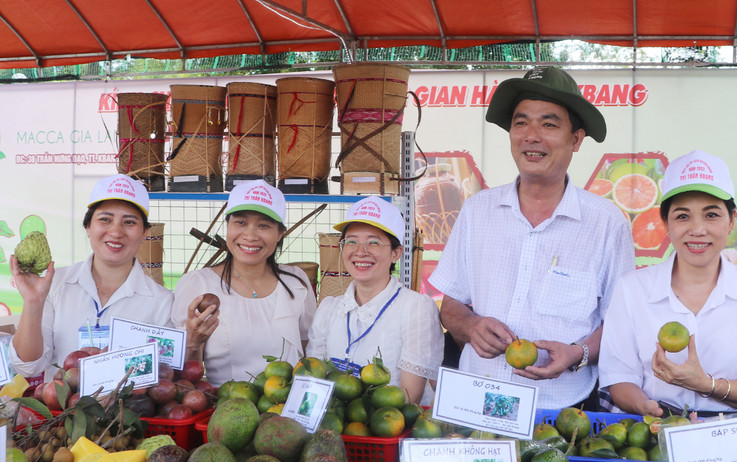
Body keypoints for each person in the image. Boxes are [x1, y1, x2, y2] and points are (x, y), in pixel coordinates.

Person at [429, 66, 635, 410]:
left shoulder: (606, 223)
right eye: (521, 122)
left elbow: (622, 324)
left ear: (576, 139)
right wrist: (470, 325)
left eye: (549, 124)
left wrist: (576, 353)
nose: (531, 135)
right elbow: (450, 307)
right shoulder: (477, 211)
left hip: (562, 409)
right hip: (474, 402)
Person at [598, 150, 737, 417]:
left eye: (711, 215)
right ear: (665, 223)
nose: (698, 230)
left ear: (732, 221)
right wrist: (646, 407)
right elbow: (619, 378)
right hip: (654, 428)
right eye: (683, 216)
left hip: (734, 435)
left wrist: (705, 385)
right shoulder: (632, 288)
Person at [9, 174, 174, 379]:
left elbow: (165, 377)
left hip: (129, 410)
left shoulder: (162, 301)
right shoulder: (56, 284)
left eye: (129, 222)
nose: (115, 231)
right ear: (88, 226)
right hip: (64, 410)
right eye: (105, 219)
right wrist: (33, 301)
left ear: (145, 233)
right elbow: (28, 367)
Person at [172, 181, 317, 386]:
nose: (250, 236)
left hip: (284, 411)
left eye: (264, 225)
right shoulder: (198, 285)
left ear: (280, 233)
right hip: (224, 411)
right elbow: (182, 378)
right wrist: (193, 342)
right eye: (240, 222)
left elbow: (309, 353)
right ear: (228, 226)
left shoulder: (296, 283)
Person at [306, 197, 443, 404]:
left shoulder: (415, 309)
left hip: (388, 427)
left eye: (374, 242)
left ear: (396, 253)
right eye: (351, 241)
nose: (360, 251)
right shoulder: (328, 310)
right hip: (333, 429)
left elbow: (408, 399)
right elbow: (313, 382)